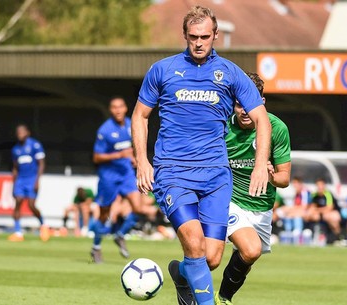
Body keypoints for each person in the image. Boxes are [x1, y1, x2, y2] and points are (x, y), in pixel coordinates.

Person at [131, 6, 271, 305]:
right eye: (193, 36)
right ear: (185, 35)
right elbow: (140, 116)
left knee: (210, 259)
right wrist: (142, 160)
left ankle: (182, 275)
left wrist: (260, 166)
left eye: (205, 36)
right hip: (173, 172)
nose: (198, 42)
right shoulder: (162, 70)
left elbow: (262, 119)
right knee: (193, 243)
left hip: (216, 177)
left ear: (215, 36)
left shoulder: (230, 73)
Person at [217, 72, 291, 305]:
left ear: (262, 102)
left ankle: (221, 297)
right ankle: (219, 299)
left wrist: (271, 177)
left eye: (251, 103)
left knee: (246, 259)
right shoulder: (222, 128)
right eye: (239, 104)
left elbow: (284, 179)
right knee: (249, 250)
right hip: (230, 199)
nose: (244, 110)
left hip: (262, 207)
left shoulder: (276, 128)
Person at [90, 97, 142, 263]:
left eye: (120, 107)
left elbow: (133, 147)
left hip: (126, 173)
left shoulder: (129, 124)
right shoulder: (105, 130)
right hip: (108, 176)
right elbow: (97, 157)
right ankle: (96, 247)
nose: (118, 110)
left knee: (138, 207)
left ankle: (120, 234)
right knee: (104, 214)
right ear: (110, 110)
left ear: (126, 108)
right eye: (114, 107)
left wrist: (134, 158)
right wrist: (120, 155)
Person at [8, 124, 49, 242]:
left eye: (22, 132)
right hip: (20, 179)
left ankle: (43, 225)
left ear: (27, 133)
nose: (20, 134)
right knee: (18, 202)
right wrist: (14, 183)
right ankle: (17, 232)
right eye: (18, 132)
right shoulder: (15, 149)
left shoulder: (35, 145)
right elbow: (15, 167)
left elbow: (41, 163)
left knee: (31, 205)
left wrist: (37, 180)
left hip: (32, 179)